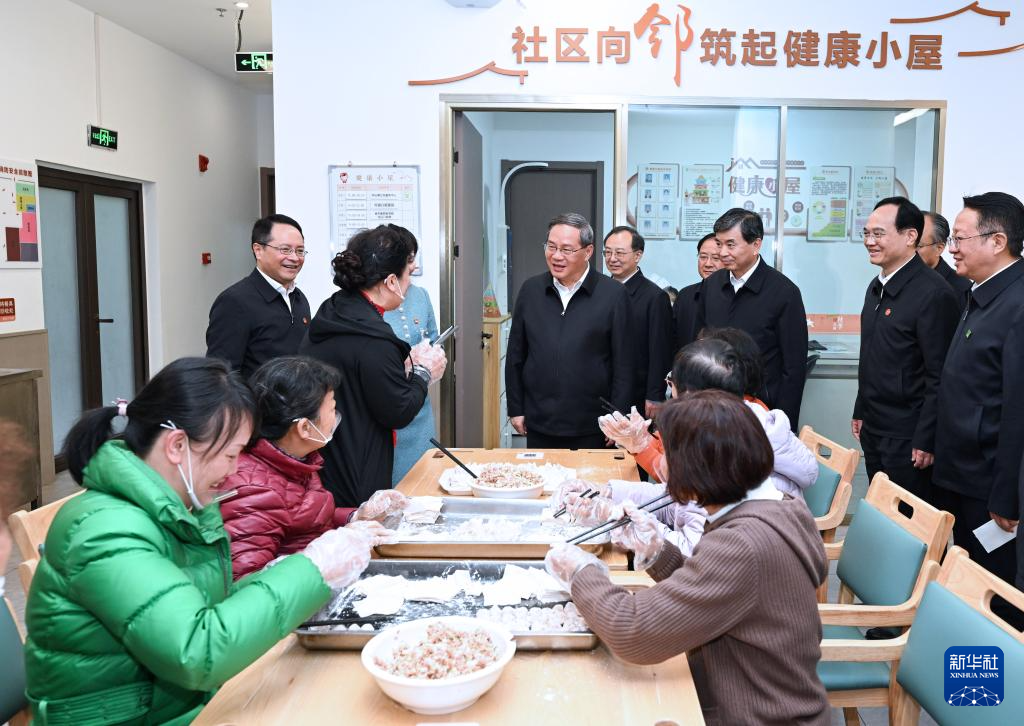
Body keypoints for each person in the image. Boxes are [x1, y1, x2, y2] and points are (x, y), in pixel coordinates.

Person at [23, 357, 382, 724]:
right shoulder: (105, 530)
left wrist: (290, 568)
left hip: (181, 704)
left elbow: (213, 603)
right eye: (231, 455)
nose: (234, 471)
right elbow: (196, 651)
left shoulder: (178, 506)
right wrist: (311, 570)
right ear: (177, 445)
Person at [546, 391, 829, 726]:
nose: (661, 466)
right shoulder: (776, 507)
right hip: (744, 700)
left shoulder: (742, 544)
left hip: (755, 715)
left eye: (667, 454)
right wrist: (657, 553)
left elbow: (632, 632)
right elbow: (716, 591)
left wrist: (580, 571)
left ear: (697, 470)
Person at [573, 336, 817, 555]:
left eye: (671, 382)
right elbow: (676, 501)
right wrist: (608, 493)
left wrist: (624, 522)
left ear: (690, 396)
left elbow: (693, 555)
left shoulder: (728, 453)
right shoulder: (733, 424)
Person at [220, 356, 408, 579]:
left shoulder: (294, 458)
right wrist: (334, 548)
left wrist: (357, 516)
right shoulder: (253, 491)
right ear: (304, 428)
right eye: (332, 409)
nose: (336, 417)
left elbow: (306, 518)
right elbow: (251, 583)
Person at [300, 224, 446, 506]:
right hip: (359, 459)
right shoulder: (375, 338)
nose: (409, 281)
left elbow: (358, 372)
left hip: (330, 450)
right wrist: (423, 372)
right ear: (391, 281)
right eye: (407, 274)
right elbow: (398, 411)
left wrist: (400, 370)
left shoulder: (334, 309)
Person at [931, 193, 1024, 625]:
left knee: (995, 597)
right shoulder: (981, 292)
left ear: (997, 241)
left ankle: (992, 671)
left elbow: (1017, 410)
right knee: (968, 584)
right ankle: (963, 665)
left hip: (989, 486)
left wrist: (1006, 495)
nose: (952, 248)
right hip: (964, 473)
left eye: (960, 238)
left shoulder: (1017, 303)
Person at [852, 197, 959, 505]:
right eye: (866, 233)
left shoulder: (934, 293)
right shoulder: (876, 286)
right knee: (880, 513)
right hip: (875, 427)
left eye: (879, 234)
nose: (869, 241)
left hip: (909, 438)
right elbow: (871, 355)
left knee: (908, 522)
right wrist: (861, 408)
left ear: (910, 236)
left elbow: (940, 374)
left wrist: (927, 438)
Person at [506, 212, 633, 449]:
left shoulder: (613, 294)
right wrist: (516, 407)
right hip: (539, 420)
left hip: (593, 423)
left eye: (566, 249)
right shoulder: (531, 290)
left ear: (588, 251)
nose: (556, 256)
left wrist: (618, 416)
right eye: (551, 247)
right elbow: (516, 355)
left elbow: (624, 363)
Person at [693, 208, 808, 430]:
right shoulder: (712, 285)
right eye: (719, 244)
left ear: (756, 245)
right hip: (713, 407)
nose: (722, 252)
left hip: (761, 411)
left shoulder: (784, 292)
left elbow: (794, 367)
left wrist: (784, 423)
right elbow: (700, 344)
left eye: (730, 244)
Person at [206, 214, 312, 379]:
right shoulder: (234, 302)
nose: (294, 258)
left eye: (299, 251)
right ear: (258, 250)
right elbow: (221, 376)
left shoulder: (299, 298)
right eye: (285, 249)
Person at [603, 225, 673, 418]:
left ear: (638, 255)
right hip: (600, 389)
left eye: (619, 253)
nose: (612, 258)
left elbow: (660, 351)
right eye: (607, 252)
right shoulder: (599, 291)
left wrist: (655, 395)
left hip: (636, 393)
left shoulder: (654, 297)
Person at [383, 283, 438, 485]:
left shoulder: (421, 294)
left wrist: (431, 356)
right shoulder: (373, 297)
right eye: (408, 266)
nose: (414, 267)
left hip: (420, 405)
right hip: (389, 404)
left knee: (424, 479)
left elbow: (433, 339)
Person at [672, 232, 722, 351]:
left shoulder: (736, 296)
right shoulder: (685, 296)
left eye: (716, 258)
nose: (708, 264)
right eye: (703, 257)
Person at [918, 210, 971, 311]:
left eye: (917, 246)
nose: (908, 251)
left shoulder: (958, 289)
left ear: (939, 248)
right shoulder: (895, 277)